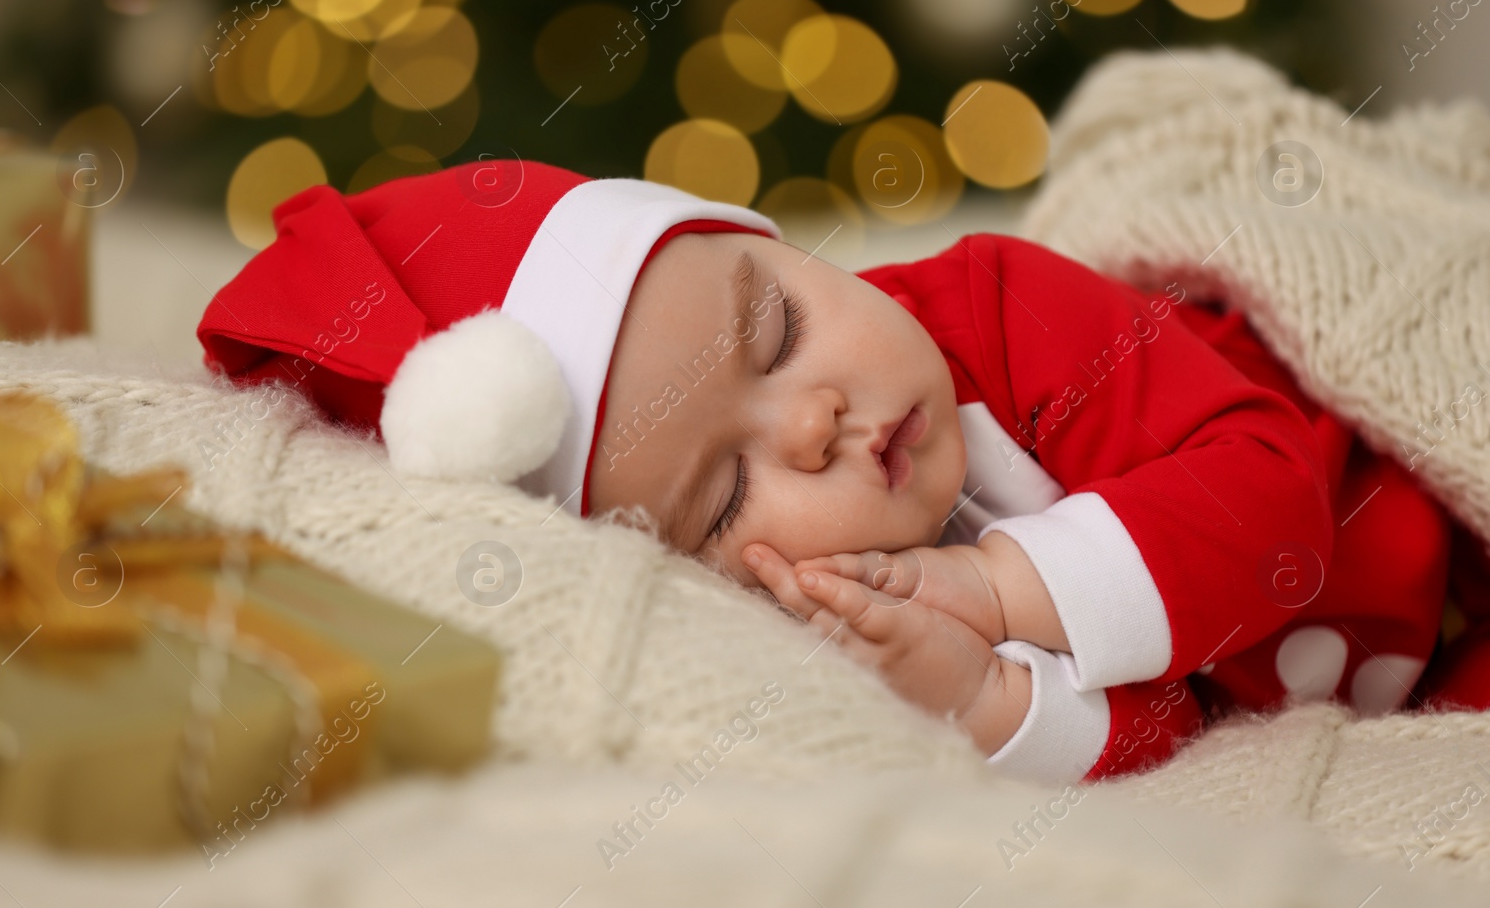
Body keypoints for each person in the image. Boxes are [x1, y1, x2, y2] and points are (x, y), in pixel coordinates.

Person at [199, 160, 1489, 784]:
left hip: (1409, 501)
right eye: (726, 496)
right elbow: (1196, 728)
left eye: (777, 331)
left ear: (789, 250)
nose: (809, 426)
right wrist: (986, 699)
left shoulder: (1001, 313)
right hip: (1422, 677)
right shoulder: (842, 608)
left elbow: (1271, 502)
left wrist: (993, 592)